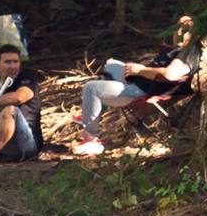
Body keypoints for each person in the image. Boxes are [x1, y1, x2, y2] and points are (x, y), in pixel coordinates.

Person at [71, 15, 196, 156]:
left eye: (185, 29)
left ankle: (91, 140)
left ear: (194, 34)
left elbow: (170, 74)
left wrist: (140, 70)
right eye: (177, 27)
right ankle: (90, 112)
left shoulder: (189, 53)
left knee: (91, 87)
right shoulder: (175, 50)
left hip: (144, 91)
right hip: (141, 82)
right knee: (109, 68)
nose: (179, 32)